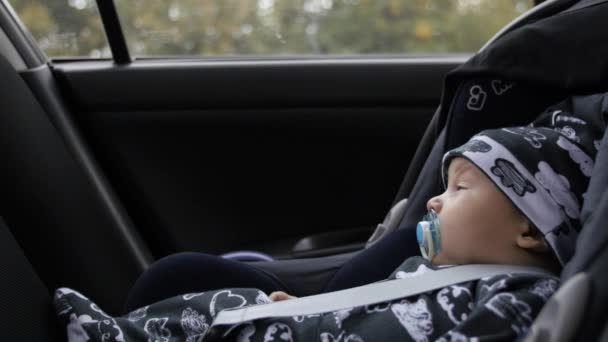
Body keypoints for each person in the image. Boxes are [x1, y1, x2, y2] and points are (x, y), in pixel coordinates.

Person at [53, 95, 605, 341]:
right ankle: (120, 332)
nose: (435, 202)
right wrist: (309, 309)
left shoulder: (518, 299)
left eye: (460, 190)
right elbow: (367, 308)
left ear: (529, 229)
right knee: (215, 306)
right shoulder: (422, 271)